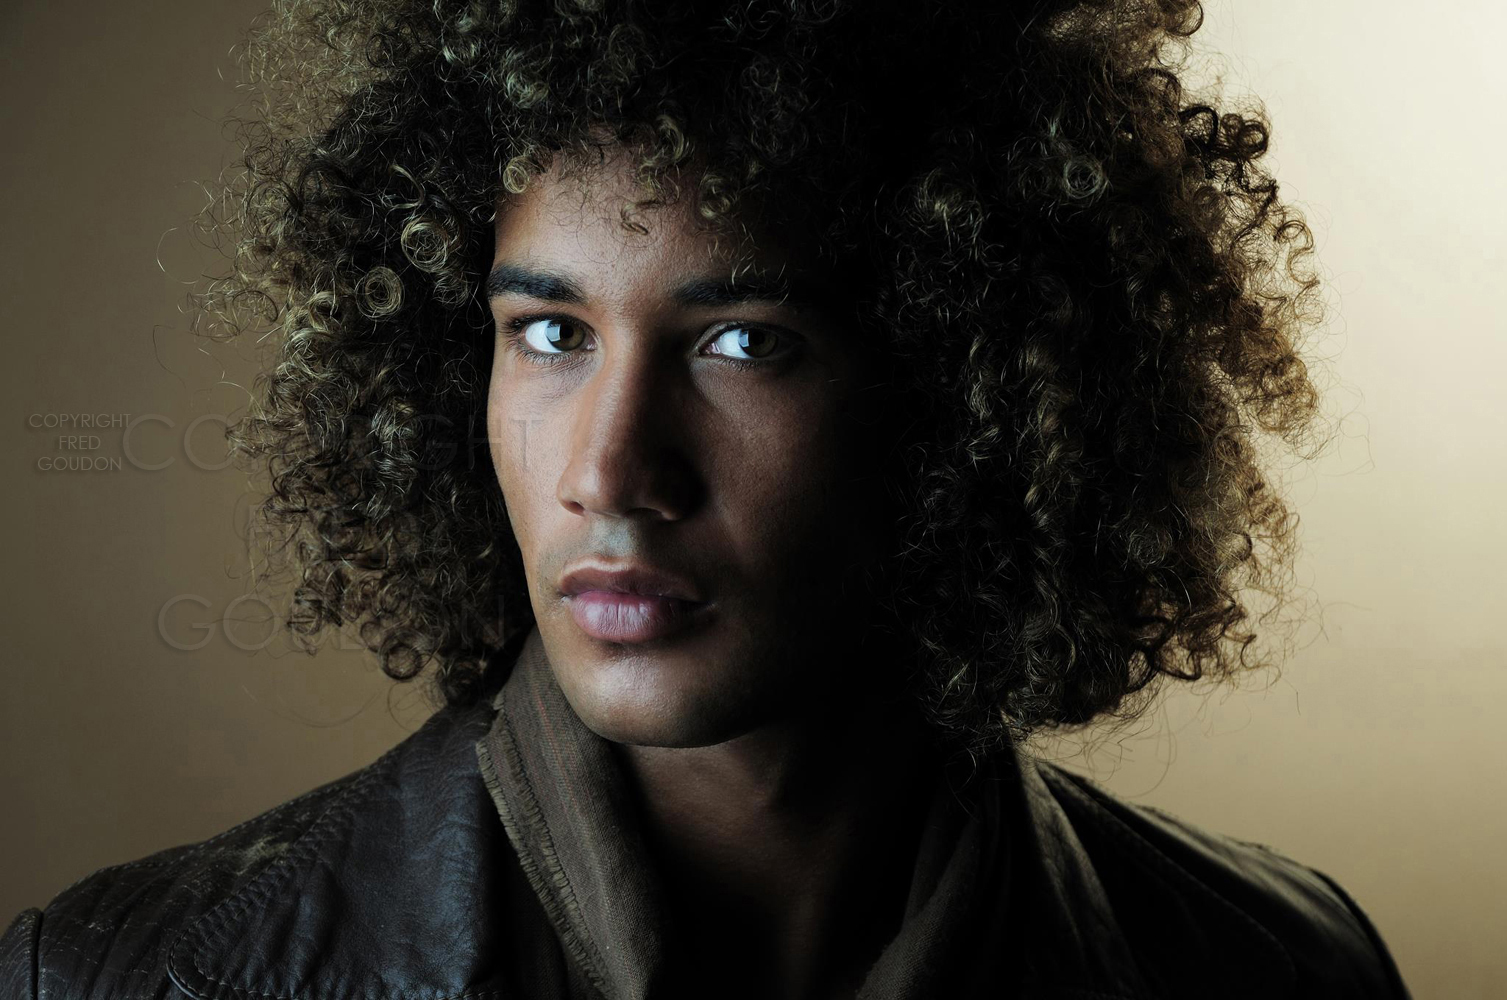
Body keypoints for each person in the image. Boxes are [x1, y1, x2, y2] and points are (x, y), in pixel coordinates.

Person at [1, 0, 1411, 997]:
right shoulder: (117, 978)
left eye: (743, 341)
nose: (609, 472)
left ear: (968, 391)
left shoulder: (1285, 968)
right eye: (550, 333)